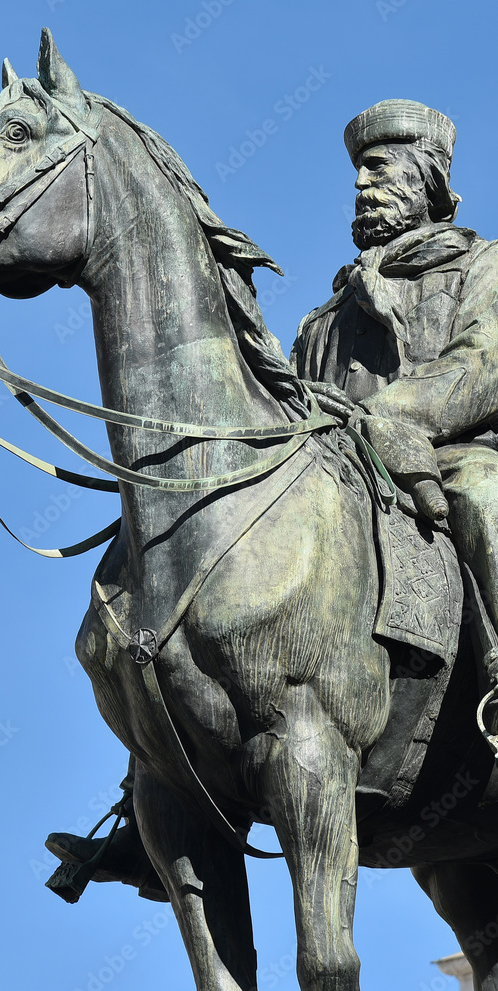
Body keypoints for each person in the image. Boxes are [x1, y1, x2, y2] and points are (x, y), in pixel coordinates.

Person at [46, 99, 498, 900]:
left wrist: (396, 414)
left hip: (447, 450)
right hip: (352, 478)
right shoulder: (324, 316)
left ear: (429, 177)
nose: (362, 184)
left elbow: (479, 366)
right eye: (357, 171)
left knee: (482, 492)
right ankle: (148, 795)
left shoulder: (481, 267)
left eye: (380, 168)